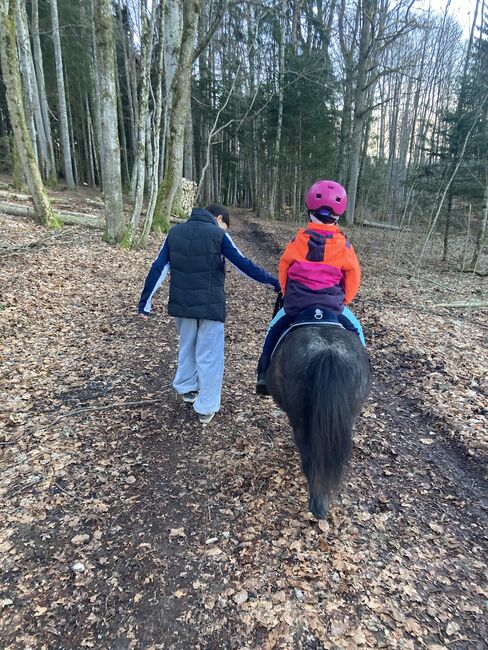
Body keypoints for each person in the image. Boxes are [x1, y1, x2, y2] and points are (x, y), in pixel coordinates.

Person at [138, 204, 279, 424]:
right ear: (218, 218)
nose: (225, 229)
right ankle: (206, 407)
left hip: (181, 306)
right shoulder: (218, 234)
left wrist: (145, 302)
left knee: (187, 346)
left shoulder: (175, 232)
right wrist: (273, 282)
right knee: (210, 356)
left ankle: (187, 388)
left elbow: (159, 267)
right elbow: (243, 264)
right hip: (210, 307)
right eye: (225, 225)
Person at [256, 180, 365, 395]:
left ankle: (263, 374)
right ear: (338, 216)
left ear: (309, 210)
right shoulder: (344, 244)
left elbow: (284, 269)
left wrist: (288, 296)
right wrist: (344, 301)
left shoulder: (298, 239)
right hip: (332, 305)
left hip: (297, 304)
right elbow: (353, 277)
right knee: (356, 329)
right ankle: (362, 374)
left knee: (274, 329)